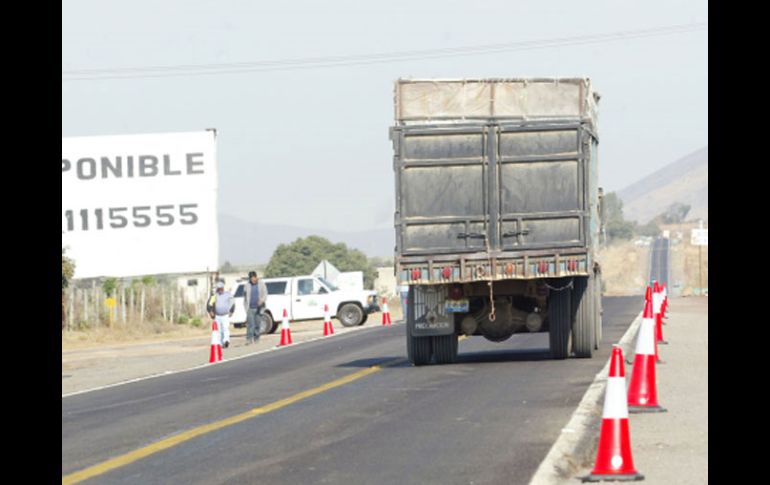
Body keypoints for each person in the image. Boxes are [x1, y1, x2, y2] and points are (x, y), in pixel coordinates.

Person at [207, 281, 234, 348]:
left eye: (221, 288)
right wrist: (210, 311)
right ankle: (221, 344)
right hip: (217, 316)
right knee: (219, 330)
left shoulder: (228, 294)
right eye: (218, 289)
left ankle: (226, 341)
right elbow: (209, 304)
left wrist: (231, 311)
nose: (220, 290)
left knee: (225, 328)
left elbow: (232, 303)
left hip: (225, 315)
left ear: (223, 288)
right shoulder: (215, 296)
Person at [244, 271, 268, 345]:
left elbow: (265, 294)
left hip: (259, 308)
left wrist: (261, 301)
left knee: (257, 324)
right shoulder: (247, 285)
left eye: (254, 278)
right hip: (250, 308)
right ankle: (249, 339)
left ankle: (256, 338)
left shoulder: (262, 284)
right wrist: (246, 308)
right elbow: (245, 297)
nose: (253, 280)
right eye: (251, 279)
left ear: (256, 277)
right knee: (250, 325)